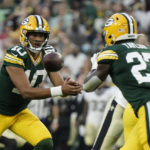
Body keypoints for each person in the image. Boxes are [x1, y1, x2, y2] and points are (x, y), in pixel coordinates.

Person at [0, 15, 82, 150]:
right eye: (34, 35)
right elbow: (25, 92)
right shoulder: (15, 53)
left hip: (18, 112)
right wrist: (61, 90)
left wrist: (70, 88)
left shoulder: (48, 54)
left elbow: (60, 89)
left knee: (45, 143)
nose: (38, 39)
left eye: (42, 35)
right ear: (24, 34)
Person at [83, 12, 149, 150]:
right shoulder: (147, 50)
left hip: (144, 104)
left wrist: (95, 66)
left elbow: (88, 86)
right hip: (136, 106)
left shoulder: (111, 51)